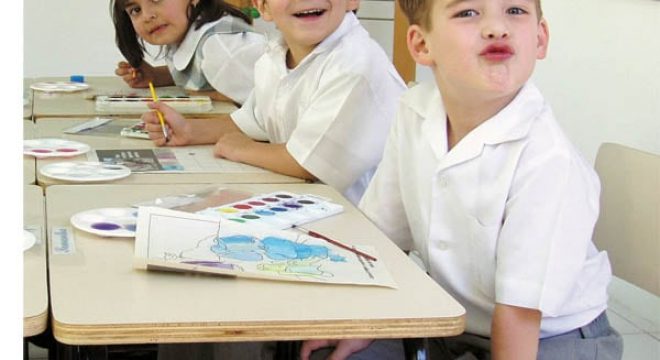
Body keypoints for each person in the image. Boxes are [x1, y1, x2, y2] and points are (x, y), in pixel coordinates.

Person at [301, 0, 624, 359]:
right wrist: (366, 325)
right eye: (468, 13)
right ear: (422, 45)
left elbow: (520, 316)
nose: (496, 28)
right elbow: (384, 239)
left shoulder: (549, 160)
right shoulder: (413, 112)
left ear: (540, 37)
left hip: (551, 336)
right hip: (456, 322)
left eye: (515, 11)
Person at [142, 0, 406, 205]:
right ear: (263, 6)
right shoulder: (275, 57)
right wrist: (189, 131)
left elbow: (307, 163)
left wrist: (241, 150)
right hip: (309, 206)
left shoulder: (356, 64)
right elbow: (254, 121)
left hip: (362, 230)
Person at [110, 0, 266, 104]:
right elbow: (207, 74)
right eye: (136, 10)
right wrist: (158, 76)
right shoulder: (183, 35)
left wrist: (199, 97)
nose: (147, 16)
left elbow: (265, 106)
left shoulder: (219, 46)